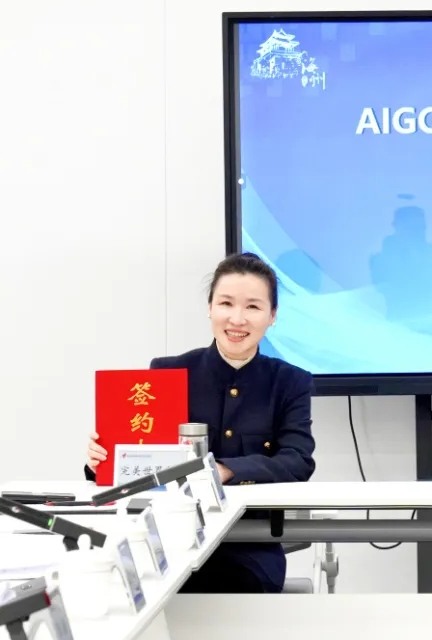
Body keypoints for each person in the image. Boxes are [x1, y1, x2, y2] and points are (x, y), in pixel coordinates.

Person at [85, 252, 316, 593]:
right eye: (226, 303)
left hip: (249, 548)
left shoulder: (290, 382)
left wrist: (226, 470)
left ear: (272, 316)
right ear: (210, 308)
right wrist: (100, 459)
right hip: (170, 542)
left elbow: (297, 460)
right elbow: (140, 460)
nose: (237, 319)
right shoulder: (168, 372)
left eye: (253, 307)